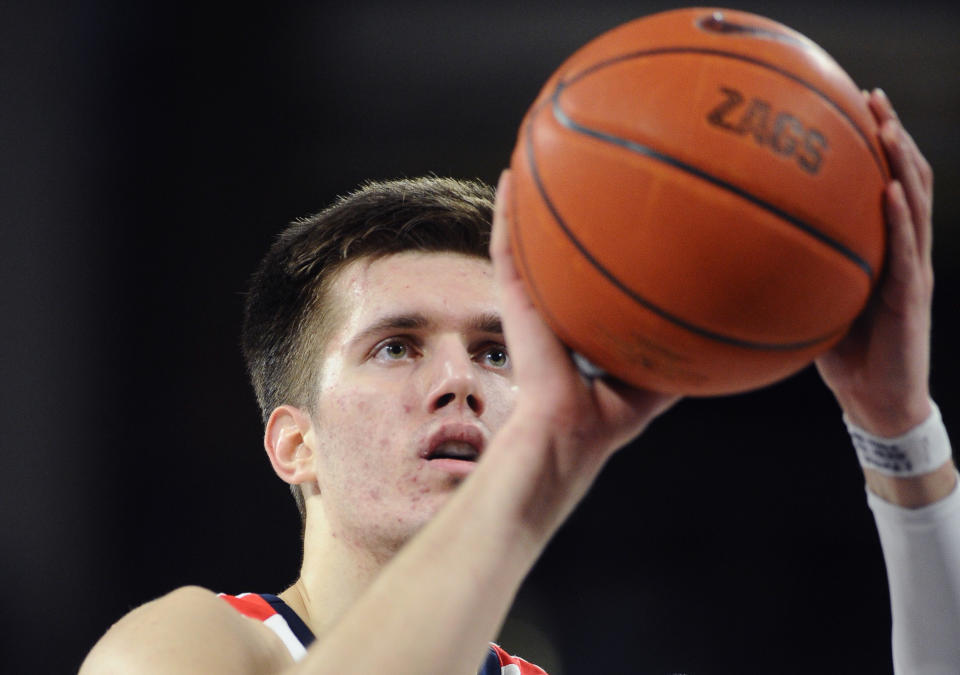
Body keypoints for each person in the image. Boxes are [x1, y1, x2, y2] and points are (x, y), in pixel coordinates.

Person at [80, 89, 958, 674]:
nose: (459, 379)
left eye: (498, 351)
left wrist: (898, 425)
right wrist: (541, 465)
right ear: (293, 442)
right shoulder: (190, 644)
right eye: (397, 346)